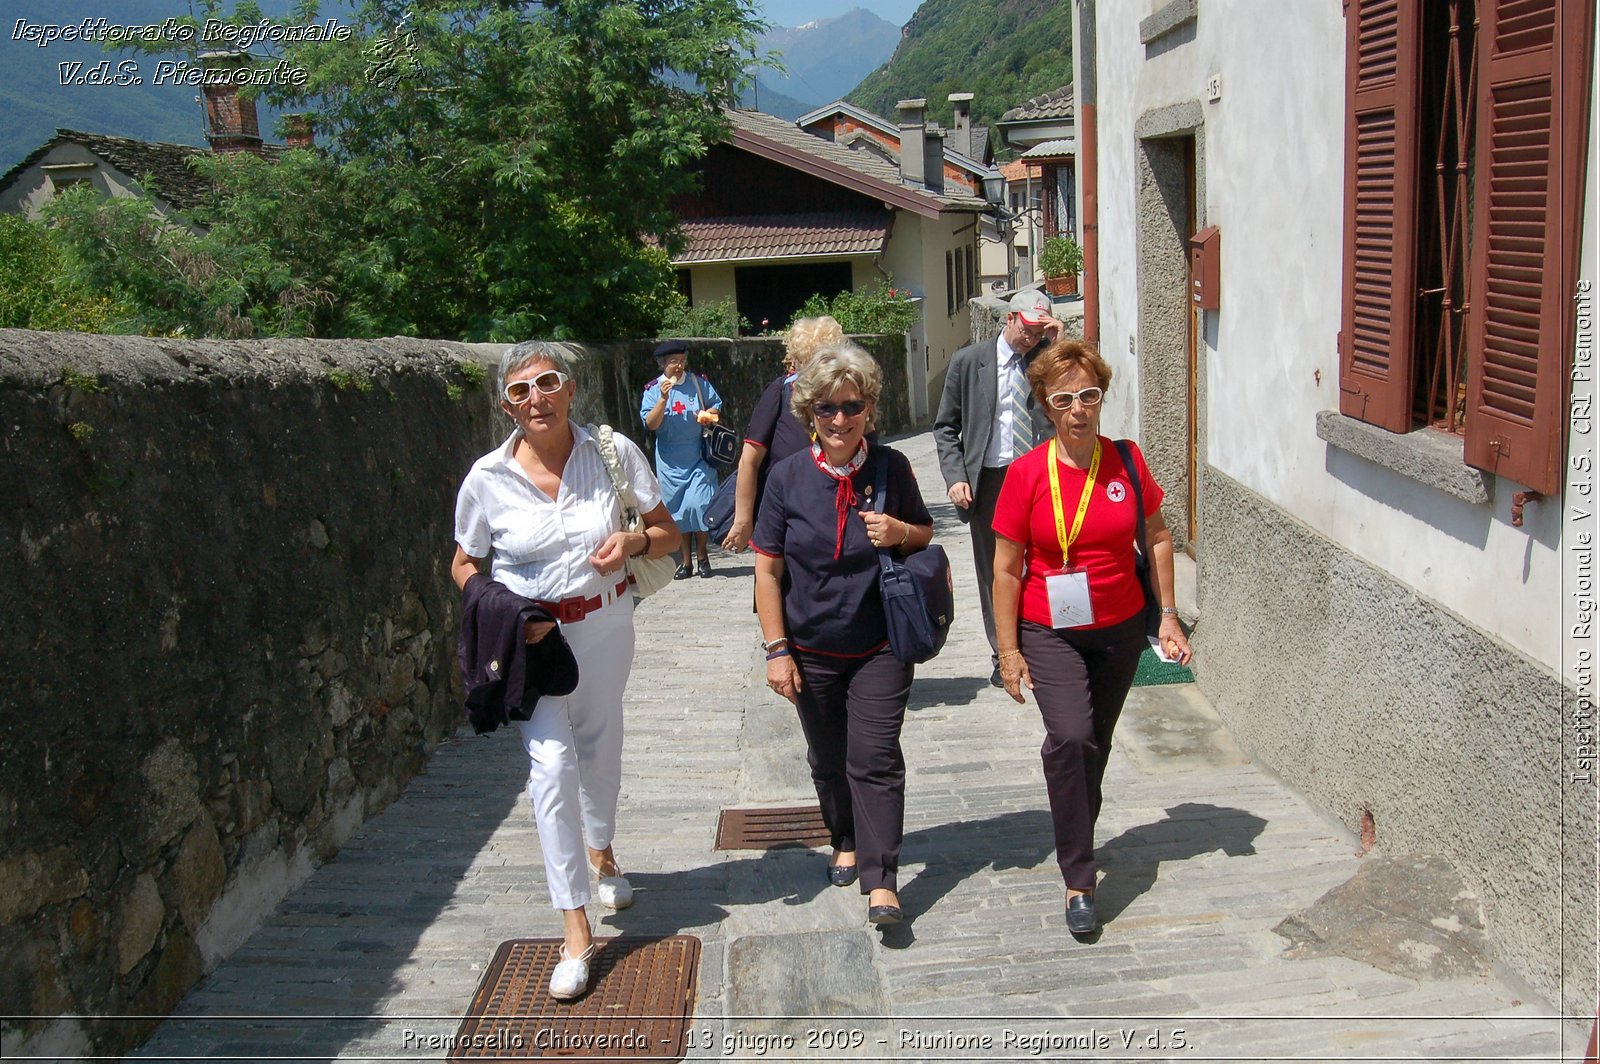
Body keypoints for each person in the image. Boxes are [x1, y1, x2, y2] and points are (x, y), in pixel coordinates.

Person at [452, 341, 681, 999]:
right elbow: (464, 562)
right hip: (533, 642)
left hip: (606, 624)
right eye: (521, 391)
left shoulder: (612, 453)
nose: (536, 399)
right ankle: (575, 928)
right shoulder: (486, 479)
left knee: (600, 749)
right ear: (506, 404)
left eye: (547, 383)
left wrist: (635, 539)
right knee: (551, 765)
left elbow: (664, 530)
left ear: (570, 387)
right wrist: (496, 607)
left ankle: (601, 851)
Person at [989, 338, 1191, 937]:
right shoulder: (1027, 475)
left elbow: (1156, 537)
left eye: (1089, 395)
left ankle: (1076, 820)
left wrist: (1169, 615)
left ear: (1101, 397)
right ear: (1046, 408)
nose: (1079, 408)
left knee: (1092, 745)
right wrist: (1008, 651)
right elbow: (1005, 568)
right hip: (1049, 628)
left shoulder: (1126, 461)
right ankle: (1080, 877)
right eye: (1064, 399)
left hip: (1120, 630)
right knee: (1071, 736)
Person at [751, 343, 935, 927]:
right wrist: (778, 649)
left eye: (850, 407)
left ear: (869, 410)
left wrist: (899, 529)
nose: (839, 419)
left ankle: (883, 880)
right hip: (809, 650)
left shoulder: (892, 469)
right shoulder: (786, 478)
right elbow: (768, 569)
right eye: (826, 409)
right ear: (810, 412)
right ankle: (844, 835)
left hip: (879, 645)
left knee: (874, 758)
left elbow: (925, 535)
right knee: (829, 760)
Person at [933, 289, 1064, 687]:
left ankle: (1047, 643)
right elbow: (945, 428)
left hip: (1040, 477)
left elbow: (1072, 395)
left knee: (1045, 560)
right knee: (995, 569)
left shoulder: (1046, 362)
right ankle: (1003, 650)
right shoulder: (968, 362)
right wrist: (956, 477)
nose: (1032, 337)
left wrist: (1058, 347)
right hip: (990, 480)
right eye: (1027, 328)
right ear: (1009, 319)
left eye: (1040, 330)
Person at [722, 315, 844, 552]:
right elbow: (749, 460)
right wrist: (743, 520)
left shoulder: (847, 398)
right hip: (785, 516)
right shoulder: (780, 393)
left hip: (835, 512)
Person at [641, 339, 723, 578]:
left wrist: (708, 416)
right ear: (663, 364)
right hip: (669, 460)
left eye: (682, 361)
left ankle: (704, 556)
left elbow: (716, 407)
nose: (679, 366)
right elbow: (651, 424)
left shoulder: (698, 382)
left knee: (700, 504)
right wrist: (662, 400)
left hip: (698, 456)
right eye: (674, 362)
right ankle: (686, 562)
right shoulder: (653, 390)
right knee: (677, 512)